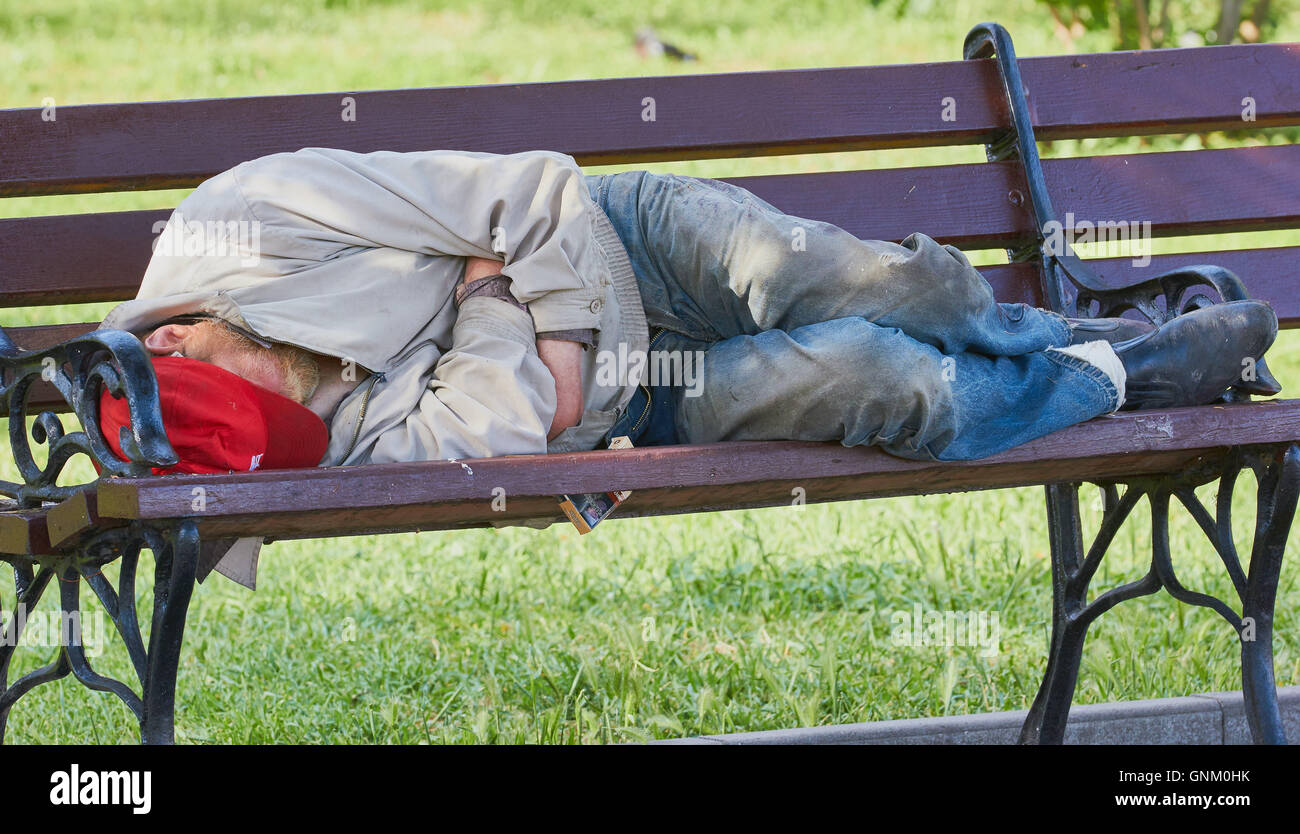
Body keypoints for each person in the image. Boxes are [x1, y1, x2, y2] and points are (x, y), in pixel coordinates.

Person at [99, 148, 1278, 584]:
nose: (320, 405)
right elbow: (508, 437)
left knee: (886, 289)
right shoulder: (295, 445)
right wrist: (504, 305)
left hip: (628, 239)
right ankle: (1118, 373)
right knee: (889, 378)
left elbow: (532, 193)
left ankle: (1111, 352)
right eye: (305, 425)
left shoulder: (254, 212)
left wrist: (529, 332)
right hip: (632, 406)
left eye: (279, 387)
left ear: (176, 338)